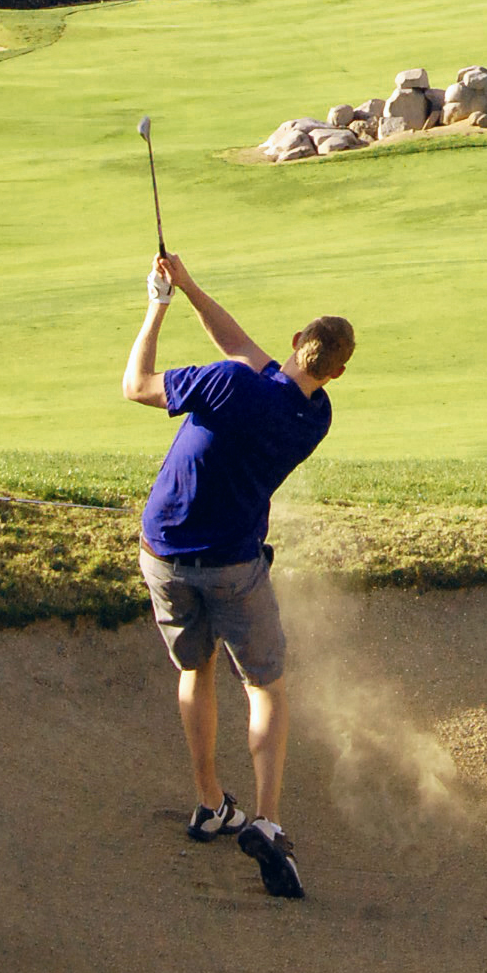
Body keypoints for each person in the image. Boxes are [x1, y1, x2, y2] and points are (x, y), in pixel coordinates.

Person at [122, 250, 355, 900]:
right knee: (266, 687)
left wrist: (158, 303)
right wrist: (190, 286)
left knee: (194, 672)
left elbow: (136, 384)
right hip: (234, 568)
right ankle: (266, 819)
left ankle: (207, 803)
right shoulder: (314, 416)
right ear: (335, 371)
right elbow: (236, 342)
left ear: (293, 344)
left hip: (163, 553)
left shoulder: (228, 384)